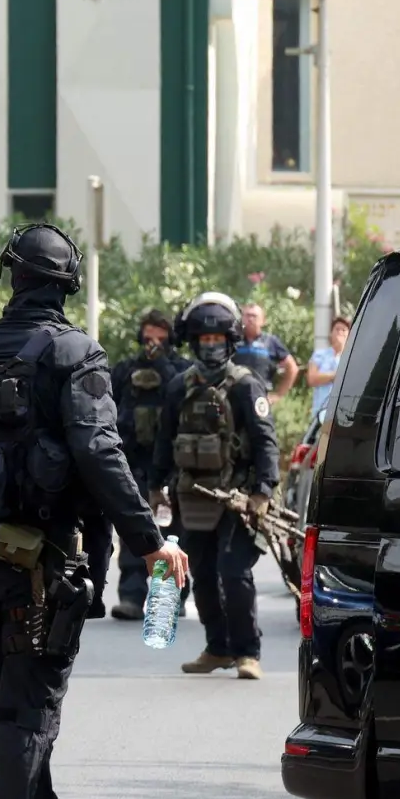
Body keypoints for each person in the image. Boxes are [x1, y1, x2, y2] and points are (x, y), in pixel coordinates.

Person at [0, 223, 187, 799]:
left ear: (12, 277)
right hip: (43, 570)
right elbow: (100, 452)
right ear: (67, 285)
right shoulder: (75, 354)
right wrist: (151, 541)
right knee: (26, 721)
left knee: (8, 719)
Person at [155, 292, 280, 681]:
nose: (211, 349)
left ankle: (248, 652)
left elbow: (265, 441)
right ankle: (217, 647)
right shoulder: (179, 387)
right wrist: (155, 486)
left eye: (218, 342)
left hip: (240, 498)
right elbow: (164, 441)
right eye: (204, 342)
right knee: (203, 573)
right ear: (194, 343)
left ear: (230, 342)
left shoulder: (246, 386)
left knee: (234, 573)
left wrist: (263, 491)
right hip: (194, 497)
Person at [97, 310, 190, 622]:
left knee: (173, 534)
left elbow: (182, 397)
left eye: (160, 340)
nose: (153, 345)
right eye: (149, 339)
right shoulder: (126, 370)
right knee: (134, 531)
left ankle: (169, 598)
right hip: (134, 463)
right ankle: (132, 597)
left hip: (170, 466)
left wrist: (161, 363)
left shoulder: (180, 371)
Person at [235, 302, 298, 404]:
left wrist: (278, 395)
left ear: (263, 321)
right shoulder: (233, 340)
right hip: (234, 398)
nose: (250, 319)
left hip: (260, 399)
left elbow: (292, 368)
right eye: (247, 316)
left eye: (254, 316)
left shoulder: (271, 341)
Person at [306, 315, 350, 417]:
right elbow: (312, 379)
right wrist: (335, 376)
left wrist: (324, 377)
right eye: (337, 329)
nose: (340, 332)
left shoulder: (351, 358)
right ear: (331, 333)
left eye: (343, 330)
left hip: (343, 414)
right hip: (321, 412)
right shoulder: (319, 355)